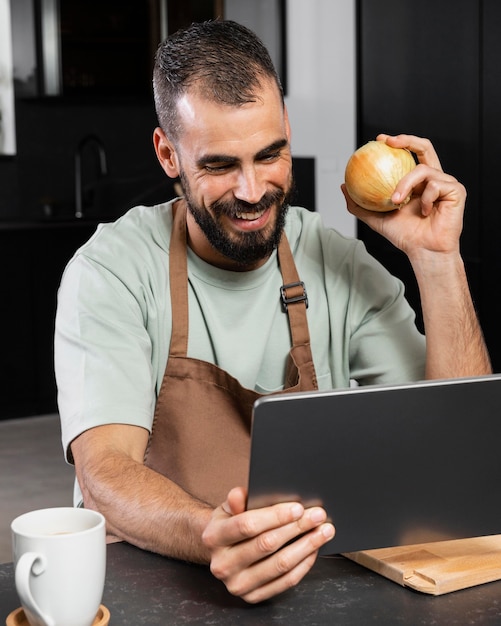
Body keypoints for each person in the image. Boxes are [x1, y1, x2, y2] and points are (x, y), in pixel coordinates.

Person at [54, 19, 491, 604]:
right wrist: (213, 536)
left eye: (270, 154)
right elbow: (104, 470)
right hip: (155, 585)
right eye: (218, 165)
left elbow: (457, 449)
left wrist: (438, 260)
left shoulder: (337, 263)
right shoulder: (110, 271)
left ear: (287, 131)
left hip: (314, 589)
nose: (253, 190)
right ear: (168, 155)